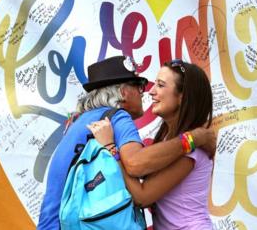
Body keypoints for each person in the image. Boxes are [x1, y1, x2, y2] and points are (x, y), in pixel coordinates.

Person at [37, 56, 216, 230]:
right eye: (139, 86)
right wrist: (195, 137)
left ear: (183, 97)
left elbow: (142, 190)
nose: (147, 91)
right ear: (123, 92)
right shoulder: (117, 116)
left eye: (160, 85)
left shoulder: (78, 121)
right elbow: (136, 165)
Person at [89, 59, 214, 229]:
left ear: (182, 96)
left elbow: (142, 196)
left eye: (161, 85)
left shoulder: (191, 149)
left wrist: (110, 148)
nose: (151, 92)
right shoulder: (172, 141)